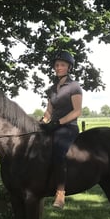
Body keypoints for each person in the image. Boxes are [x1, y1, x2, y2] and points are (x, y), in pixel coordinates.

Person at [40, 50, 83, 208]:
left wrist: (58, 123)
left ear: (69, 67)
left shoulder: (74, 86)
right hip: (53, 126)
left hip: (68, 127)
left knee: (58, 151)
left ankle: (60, 192)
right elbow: (49, 111)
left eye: (62, 65)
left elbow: (77, 111)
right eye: (57, 65)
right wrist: (43, 121)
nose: (58, 67)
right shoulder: (52, 89)